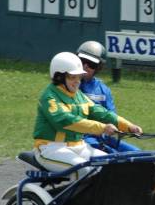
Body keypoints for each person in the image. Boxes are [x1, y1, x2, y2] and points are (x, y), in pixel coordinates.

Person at [33, 52, 143, 180]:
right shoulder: (49, 96)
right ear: (59, 77)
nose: (77, 82)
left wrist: (129, 126)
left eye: (79, 77)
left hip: (79, 146)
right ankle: (78, 201)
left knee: (110, 167)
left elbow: (101, 112)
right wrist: (102, 128)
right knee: (83, 170)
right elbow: (66, 121)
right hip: (50, 149)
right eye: (72, 77)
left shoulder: (78, 95)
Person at [77, 40, 141, 152]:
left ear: (99, 67)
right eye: (82, 61)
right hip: (82, 138)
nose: (85, 66)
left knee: (137, 153)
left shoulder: (104, 89)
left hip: (103, 137)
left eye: (91, 64)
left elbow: (111, 116)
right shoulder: (71, 86)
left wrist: (130, 127)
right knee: (112, 154)